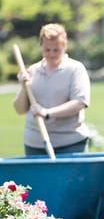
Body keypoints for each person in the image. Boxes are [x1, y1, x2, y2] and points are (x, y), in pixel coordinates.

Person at [13, 23, 91, 155]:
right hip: (35, 144)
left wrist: (47, 113)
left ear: (64, 46)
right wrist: (23, 86)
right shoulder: (33, 71)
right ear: (41, 47)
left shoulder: (75, 69)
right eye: (47, 50)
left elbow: (79, 103)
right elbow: (20, 110)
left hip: (70, 143)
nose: (51, 54)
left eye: (56, 50)